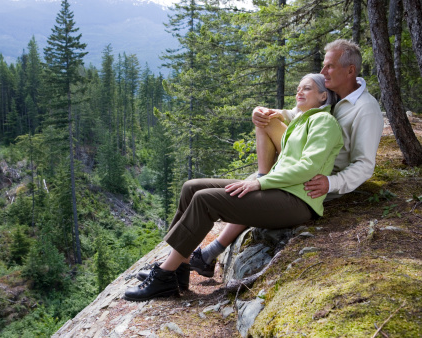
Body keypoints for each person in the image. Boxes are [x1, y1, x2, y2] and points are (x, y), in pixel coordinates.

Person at [123, 73, 343, 301]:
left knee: (205, 200)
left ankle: (163, 277)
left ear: (323, 96)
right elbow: (275, 126)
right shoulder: (299, 121)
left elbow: (308, 168)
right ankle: (180, 268)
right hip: (277, 190)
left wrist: (259, 182)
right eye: (298, 88)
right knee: (192, 187)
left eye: (306, 89)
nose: (299, 92)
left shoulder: (324, 122)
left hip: (297, 201)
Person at [193, 40, 384, 276]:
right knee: (266, 119)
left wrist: (331, 183)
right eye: (324, 67)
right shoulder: (331, 93)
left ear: (350, 70)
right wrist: (265, 113)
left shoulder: (366, 108)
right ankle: (263, 178)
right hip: (305, 163)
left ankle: (210, 252)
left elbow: (365, 165)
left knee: (249, 189)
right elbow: (298, 115)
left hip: (318, 179)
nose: (323, 72)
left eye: (329, 67)